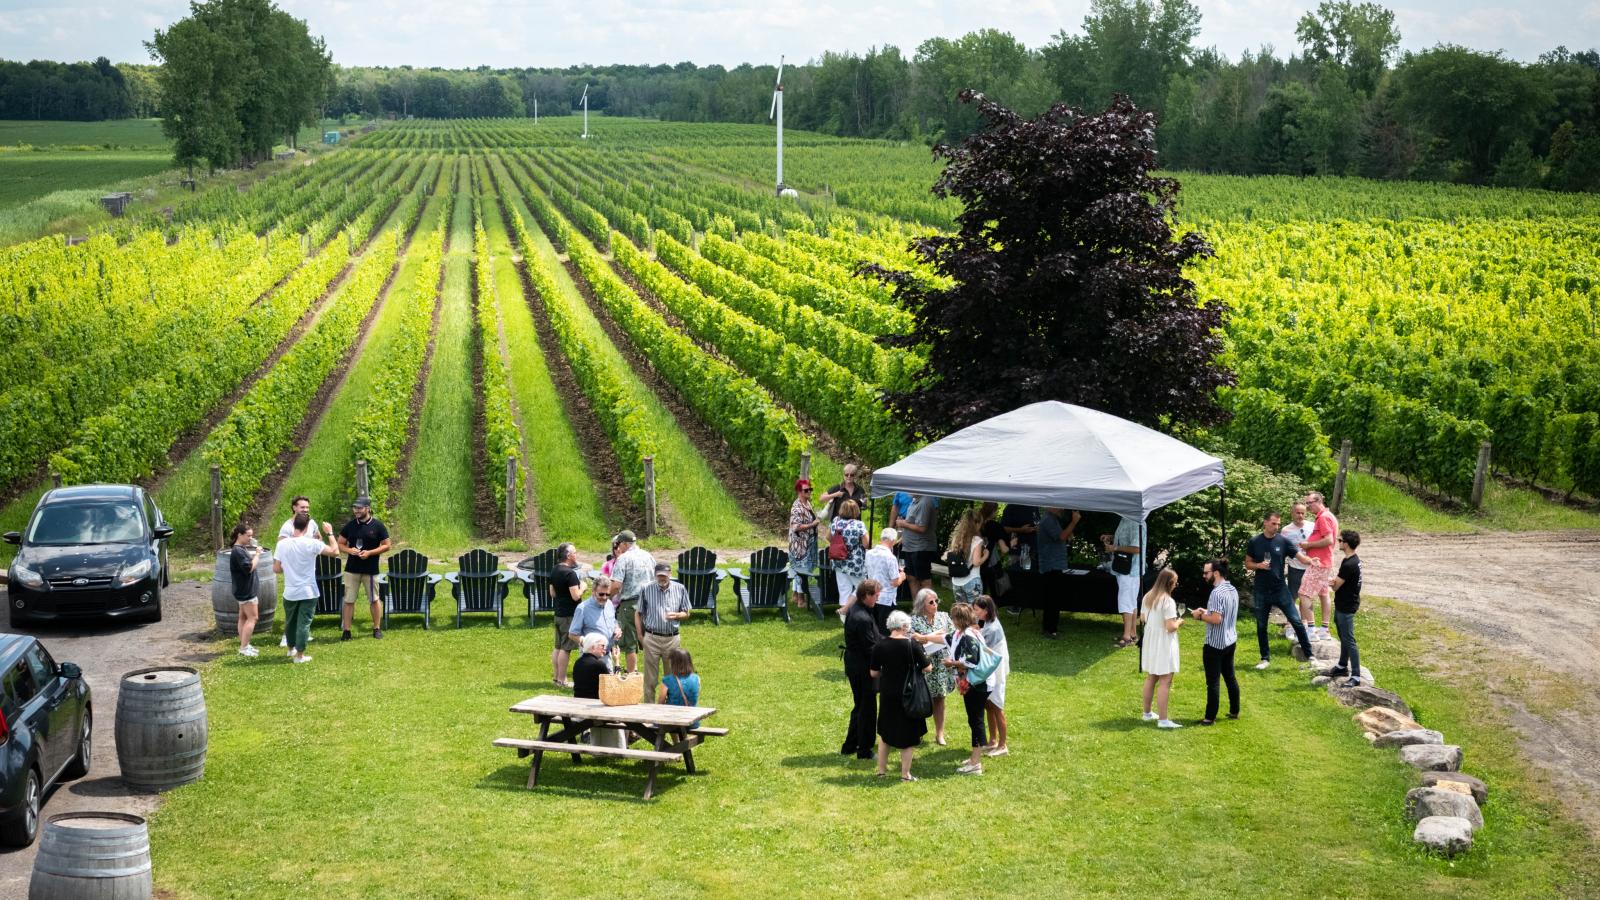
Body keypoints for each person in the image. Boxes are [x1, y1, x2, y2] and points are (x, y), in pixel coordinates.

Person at [1246, 510, 1317, 669]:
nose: (1276, 526)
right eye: (1273, 523)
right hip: (1261, 590)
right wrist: (1258, 566)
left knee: (1297, 622)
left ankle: (1310, 655)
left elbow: (1300, 557)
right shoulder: (1255, 541)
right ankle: (1265, 659)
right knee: (1261, 625)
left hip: (1280, 589)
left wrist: (1311, 561)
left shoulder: (1283, 541)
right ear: (1265, 523)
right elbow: (1248, 563)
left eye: (1278, 524)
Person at [870, 610, 932, 781]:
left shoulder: (880, 645)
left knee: (885, 733)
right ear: (904, 626)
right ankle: (905, 774)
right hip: (909, 693)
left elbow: (874, 673)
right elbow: (928, 668)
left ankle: (881, 771)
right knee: (908, 736)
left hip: (888, 693)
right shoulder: (912, 645)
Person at [273, 512, 339, 664]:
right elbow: (335, 551)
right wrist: (330, 533)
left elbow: (276, 569)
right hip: (308, 591)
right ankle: (300, 655)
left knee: (290, 622)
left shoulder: (282, 544)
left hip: (290, 591)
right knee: (304, 623)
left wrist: (289, 567)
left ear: (293, 524)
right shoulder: (311, 543)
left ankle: (290, 649)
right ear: (307, 526)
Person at [943, 602, 995, 775]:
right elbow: (945, 637)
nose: (951, 620)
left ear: (958, 619)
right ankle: (975, 757)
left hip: (978, 685)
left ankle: (975, 764)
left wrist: (952, 663)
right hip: (975, 684)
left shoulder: (968, 637)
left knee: (976, 721)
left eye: (953, 617)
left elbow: (972, 662)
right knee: (974, 720)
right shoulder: (966, 632)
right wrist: (924, 638)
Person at [1190, 558, 1241, 725]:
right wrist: (1207, 611)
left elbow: (1216, 619)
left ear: (1216, 573)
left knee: (1213, 682)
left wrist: (1200, 616)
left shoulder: (1216, 592)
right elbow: (1222, 614)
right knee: (1230, 677)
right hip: (1230, 640)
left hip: (1215, 644)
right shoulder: (1231, 589)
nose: (1204, 575)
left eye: (1206, 572)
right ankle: (1234, 711)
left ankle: (1209, 718)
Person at [336, 496, 390, 641]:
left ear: (368, 508)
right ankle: (346, 631)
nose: (356, 511)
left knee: (374, 599)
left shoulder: (378, 526)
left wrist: (370, 553)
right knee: (349, 600)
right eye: (355, 508)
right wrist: (349, 550)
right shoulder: (350, 525)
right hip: (351, 570)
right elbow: (340, 544)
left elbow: (387, 545)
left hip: (371, 570)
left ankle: (376, 628)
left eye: (359, 508)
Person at [840, 579, 883, 760]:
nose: (878, 599)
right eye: (876, 595)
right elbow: (871, 648)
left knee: (860, 706)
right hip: (862, 669)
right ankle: (864, 749)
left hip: (855, 664)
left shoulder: (860, 610)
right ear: (867, 596)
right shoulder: (862, 617)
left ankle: (850, 745)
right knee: (867, 708)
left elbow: (875, 636)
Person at [636, 562, 691, 701]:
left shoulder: (680, 588)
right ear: (655, 575)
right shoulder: (646, 589)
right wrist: (640, 636)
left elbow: (687, 612)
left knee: (671, 678)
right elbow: (638, 613)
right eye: (659, 576)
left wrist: (677, 615)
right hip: (652, 637)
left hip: (672, 639)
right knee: (650, 679)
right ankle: (649, 710)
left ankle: (670, 709)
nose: (662, 578)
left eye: (665, 576)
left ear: (670, 574)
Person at [1139, 568, 1184, 728]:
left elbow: (1143, 618)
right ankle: (1163, 720)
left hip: (1151, 640)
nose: (1176, 584)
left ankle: (1147, 713)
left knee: (1152, 676)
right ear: (1170, 583)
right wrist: (1179, 622)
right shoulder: (1168, 601)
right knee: (1166, 680)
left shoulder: (1148, 597)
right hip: (1164, 642)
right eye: (1175, 582)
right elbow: (1170, 626)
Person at [909, 589, 954, 745]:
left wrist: (927, 638)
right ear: (922, 605)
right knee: (920, 698)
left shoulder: (944, 617)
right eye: (931, 602)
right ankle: (918, 732)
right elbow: (913, 641)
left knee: (940, 698)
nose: (935, 604)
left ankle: (939, 734)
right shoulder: (914, 621)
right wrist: (937, 635)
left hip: (941, 663)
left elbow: (952, 636)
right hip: (923, 664)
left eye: (936, 601)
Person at [609, 530, 655, 674]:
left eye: (618, 544)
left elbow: (616, 585)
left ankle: (631, 673)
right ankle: (650, 673)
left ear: (623, 544)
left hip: (630, 604)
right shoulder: (649, 556)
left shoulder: (623, 559)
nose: (617, 547)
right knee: (648, 639)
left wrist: (606, 598)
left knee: (630, 641)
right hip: (650, 603)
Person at [1299, 492, 1340, 639]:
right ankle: (1324, 629)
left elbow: (1328, 540)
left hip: (1319, 563)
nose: (1307, 506)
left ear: (1319, 501)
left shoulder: (1323, 517)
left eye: (1309, 503)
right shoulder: (1328, 516)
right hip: (1325, 561)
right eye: (1307, 503)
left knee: (1304, 593)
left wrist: (1308, 545)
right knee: (1323, 594)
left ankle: (1311, 630)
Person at [974, 595, 1011, 755]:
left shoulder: (993, 629)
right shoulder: (986, 622)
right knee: (988, 705)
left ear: (986, 610)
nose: (974, 613)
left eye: (976, 610)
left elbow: (978, 649)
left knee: (997, 706)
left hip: (996, 672)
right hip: (990, 670)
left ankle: (1002, 745)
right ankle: (992, 741)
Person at [1037, 507, 1080, 638]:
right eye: (1059, 506)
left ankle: (1052, 628)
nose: (1061, 509)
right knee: (1052, 598)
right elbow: (1061, 536)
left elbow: (1062, 535)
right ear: (1051, 506)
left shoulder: (1052, 519)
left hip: (1054, 564)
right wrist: (1074, 522)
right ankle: (1049, 630)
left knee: (1054, 598)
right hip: (1051, 565)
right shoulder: (1048, 519)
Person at [1102, 514, 1144, 649]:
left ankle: (1126, 637)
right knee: (1131, 602)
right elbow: (1127, 539)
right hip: (1126, 569)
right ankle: (1132, 634)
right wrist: (1112, 537)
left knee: (1126, 602)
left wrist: (1115, 548)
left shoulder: (1135, 521)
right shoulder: (1126, 518)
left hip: (1129, 570)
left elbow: (1137, 548)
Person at [1329, 531, 1364, 687]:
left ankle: (1356, 676)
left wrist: (1331, 582)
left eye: (1340, 540)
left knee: (1349, 640)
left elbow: (1336, 586)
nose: (1338, 542)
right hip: (1345, 603)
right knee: (1343, 636)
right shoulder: (1352, 560)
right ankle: (1342, 666)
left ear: (1347, 543)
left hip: (1346, 606)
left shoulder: (1349, 564)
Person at [549, 543, 585, 688]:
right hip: (569, 616)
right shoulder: (570, 574)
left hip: (558, 614)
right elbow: (575, 596)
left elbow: (552, 593)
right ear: (569, 555)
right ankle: (563, 680)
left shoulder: (555, 570)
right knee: (566, 648)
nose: (577, 555)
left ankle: (556, 678)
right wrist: (583, 587)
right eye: (575, 552)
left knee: (558, 646)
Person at [229, 523, 266, 657]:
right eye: (248, 535)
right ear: (240, 535)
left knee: (243, 617)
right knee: (253, 617)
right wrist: (257, 555)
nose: (251, 538)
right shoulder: (238, 551)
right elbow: (249, 568)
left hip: (241, 589)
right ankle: (244, 648)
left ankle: (244, 644)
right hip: (246, 590)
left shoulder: (239, 548)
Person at [895, 493, 938, 605]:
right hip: (910, 547)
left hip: (921, 548)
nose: (907, 490)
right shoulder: (915, 500)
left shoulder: (925, 502)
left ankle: (931, 609)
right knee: (911, 578)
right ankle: (918, 609)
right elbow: (912, 522)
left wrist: (902, 523)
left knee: (924, 580)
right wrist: (903, 537)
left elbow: (922, 528)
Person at [829, 499, 871, 606]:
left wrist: (841, 545)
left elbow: (828, 537)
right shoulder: (859, 525)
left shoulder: (835, 522)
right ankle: (862, 612)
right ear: (855, 511)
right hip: (855, 563)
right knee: (862, 588)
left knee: (844, 590)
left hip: (839, 561)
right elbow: (867, 544)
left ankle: (844, 617)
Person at [568, 576, 621, 661]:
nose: (604, 597)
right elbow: (572, 634)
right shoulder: (582, 609)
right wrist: (587, 643)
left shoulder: (609, 604)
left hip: (607, 656)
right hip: (590, 659)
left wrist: (617, 629)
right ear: (593, 592)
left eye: (607, 594)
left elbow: (614, 621)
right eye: (601, 594)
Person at [788, 480, 822, 609]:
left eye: (810, 489)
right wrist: (812, 525)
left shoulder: (807, 503)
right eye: (806, 490)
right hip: (800, 545)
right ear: (799, 492)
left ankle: (796, 594)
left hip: (808, 543)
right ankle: (801, 599)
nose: (809, 492)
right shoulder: (797, 507)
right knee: (802, 570)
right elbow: (795, 526)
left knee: (799, 569)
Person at [859, 528, 904, 620]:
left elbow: (866, 572)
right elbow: (895, 582)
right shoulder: (891, 557)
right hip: (886, 598)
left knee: (874, 626)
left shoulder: (869, 553)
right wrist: (902, 576)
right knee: (884, 629)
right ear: (893, 541)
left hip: (872, 595)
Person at [947, 507, 988, 604]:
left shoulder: (956, 538)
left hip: (956, 581)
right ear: (977, 524)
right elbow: (976, 562)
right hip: (972, 580)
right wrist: (986, 555)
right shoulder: (977, 540)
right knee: (975, 612)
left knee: (962, 612)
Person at [1281, 502, 1313, 624]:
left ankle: (1304, 623)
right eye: (1297, 512)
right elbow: (1283, 549)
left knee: (1306, 597)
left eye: (1302, 513)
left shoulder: (1312, 526)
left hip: (1310, 567)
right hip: (1295, 567)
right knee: (1292, 597)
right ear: (1292, 513)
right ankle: (1291, 623)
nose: (1300, 515)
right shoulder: (1286, 530)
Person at [977, 502, 1010, 599]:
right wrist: (1012, 544)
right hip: (991, 564)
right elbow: (1004, 549)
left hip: (976, 562)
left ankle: (978, 612)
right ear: (993, 512)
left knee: (979, 593)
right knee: (994, 594)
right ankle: (992, 612)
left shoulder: (976, 523)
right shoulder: (995, 526)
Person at [571, 633, 610, 700]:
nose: (604, 649)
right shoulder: (598, 665)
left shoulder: (578, 662)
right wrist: (617, 662)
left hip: (578, 700)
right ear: (593, 647)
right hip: (595, 702)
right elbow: (612, 685)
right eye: (602, 646)